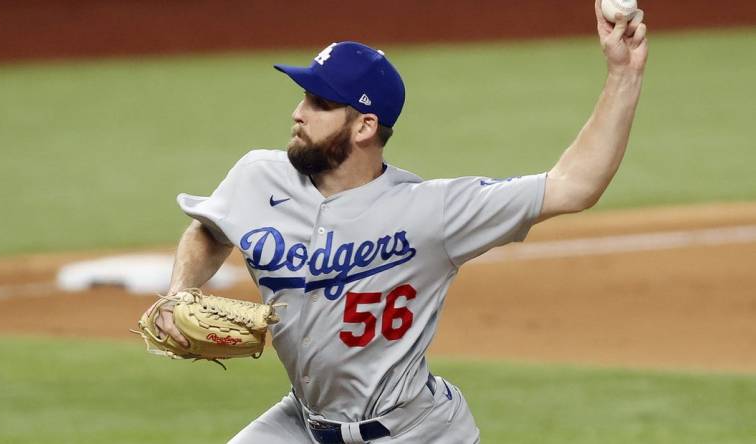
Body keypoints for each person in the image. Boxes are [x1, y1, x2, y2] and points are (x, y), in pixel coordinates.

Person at [145, 2, 647, 443]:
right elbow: (210, 230)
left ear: (364, 126)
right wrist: (178, 291)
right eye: (302, 97)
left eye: (319, 103)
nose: (298, 113)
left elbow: (573, 186)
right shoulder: (259, 176)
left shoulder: (431, 211)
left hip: (416, 432)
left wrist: (623, 75)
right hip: (302, 423)